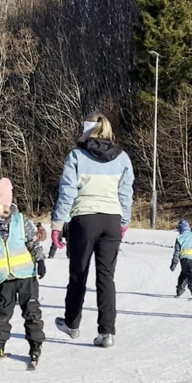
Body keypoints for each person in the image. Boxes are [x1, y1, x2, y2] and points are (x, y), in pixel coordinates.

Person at [50, 113, 134, 348]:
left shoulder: (76, 155)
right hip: (112, 220)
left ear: (86, 130)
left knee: (79, 273)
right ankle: (107, 332)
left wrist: (57, 224)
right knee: (106, 277)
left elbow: (67, 192)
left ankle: (72, 323)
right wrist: (123, 221)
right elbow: (126, 193)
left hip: (85, 219)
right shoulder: (123, 157)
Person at [0, 178, 46, 368]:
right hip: (4, 279)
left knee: (31, 312)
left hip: (25, 276)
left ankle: (35, 346)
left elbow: (33, 242)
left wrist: (40, 260)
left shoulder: (20, 221)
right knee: (1, 314)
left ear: (5, 206)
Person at [170, 219, 192, 299]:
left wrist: (174, 262)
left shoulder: (179, 238)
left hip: (184, 259)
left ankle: (180, 289)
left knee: (184, 273)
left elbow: (177, 251)